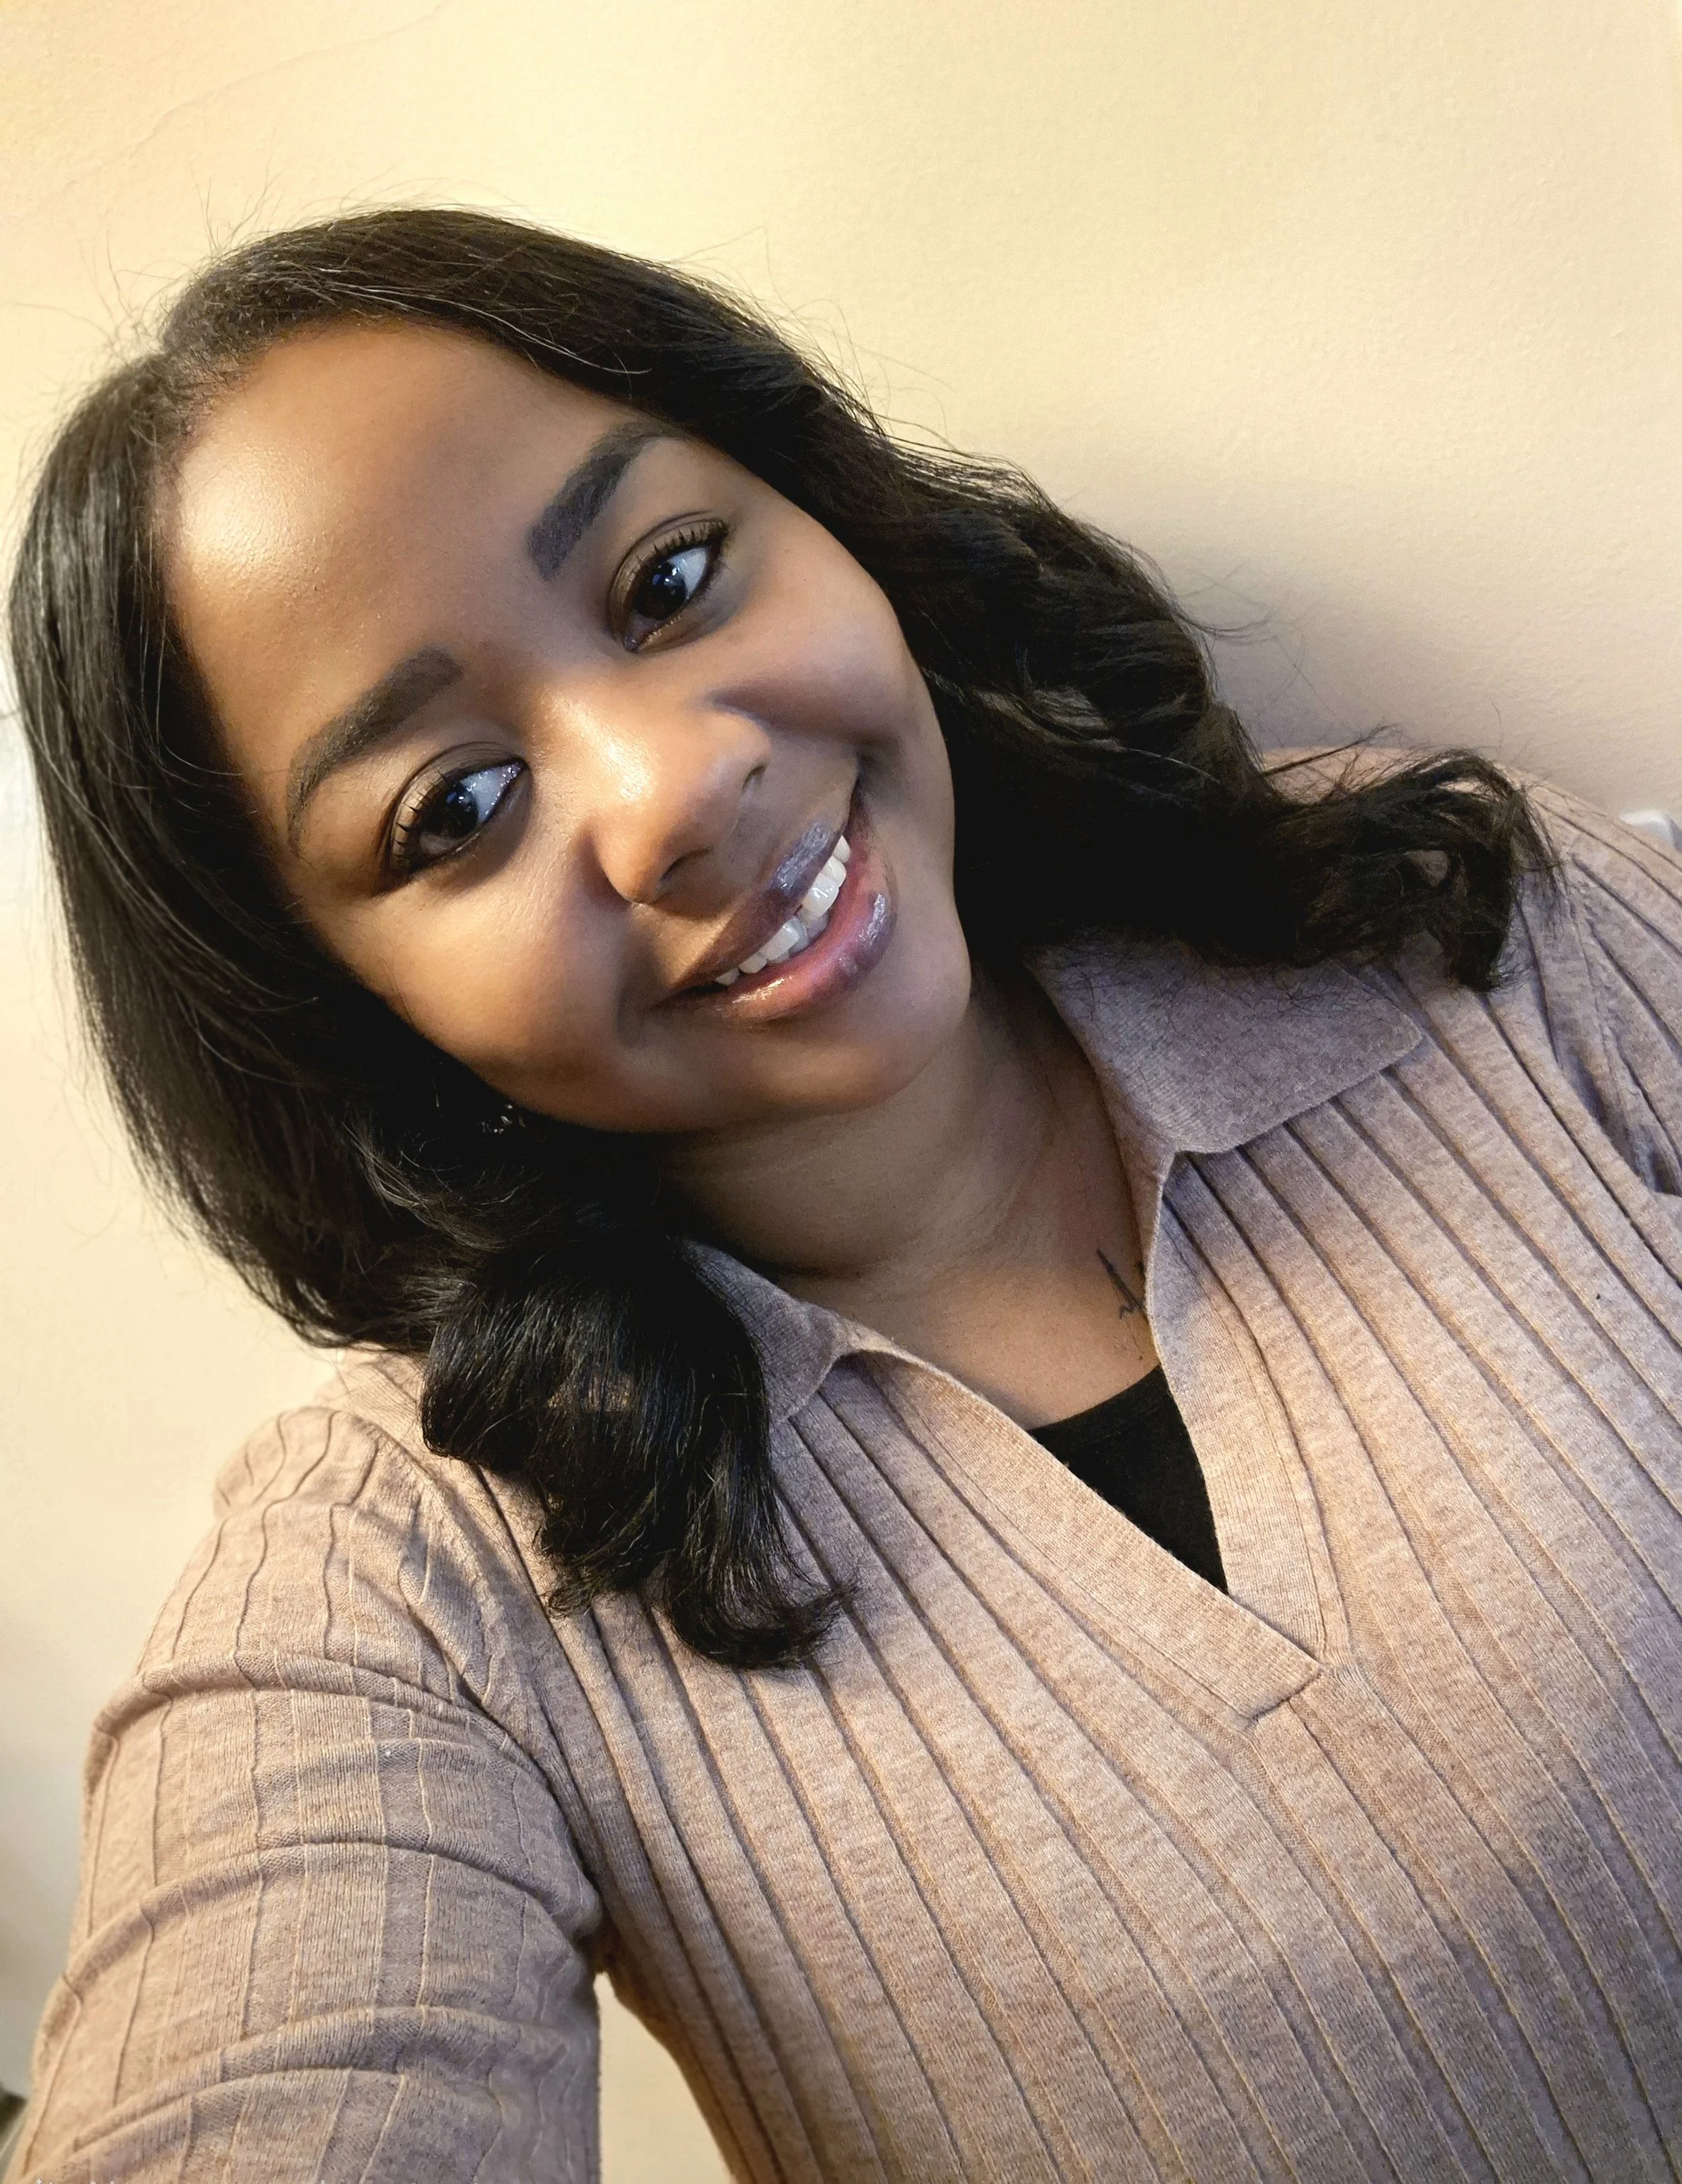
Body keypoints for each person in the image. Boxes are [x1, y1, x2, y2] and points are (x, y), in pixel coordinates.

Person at [5, 208, 1679, 2184]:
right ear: (335, 994)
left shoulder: (1465, 923)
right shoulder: (406, 1588)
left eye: (669, 578)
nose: (673, 785)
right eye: (452, 809)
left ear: (826, 512)